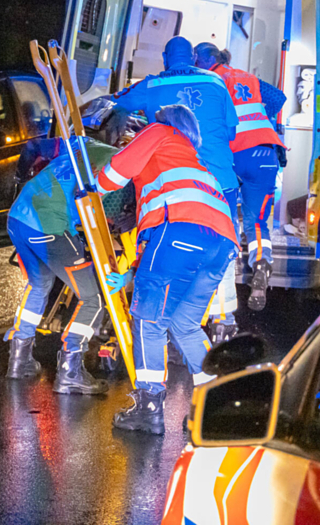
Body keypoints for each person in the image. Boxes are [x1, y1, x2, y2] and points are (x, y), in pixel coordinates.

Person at [99, 105, 238, 435]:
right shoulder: (196, 164)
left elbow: (116, 172)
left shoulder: (160, 133)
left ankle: (148, 408)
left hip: (179, 230)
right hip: (221, 243)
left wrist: (92, 185)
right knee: (184, 323)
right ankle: (211, 403)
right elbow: (158, 246)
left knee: (149, 319)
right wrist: (132, 273)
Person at [111, 37, 240, 342]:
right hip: (222, 179)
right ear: (194, 57)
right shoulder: (217, 81)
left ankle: (168, 317)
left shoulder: (153, 84)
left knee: (173, 249)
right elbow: (231, 130)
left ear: (165, 58)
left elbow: (119, 105)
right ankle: (222, 321)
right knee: (220, 247)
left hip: (182, 181)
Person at [4, 99, 132, 395]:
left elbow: (32, 148)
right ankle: (70, 371)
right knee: (94, 299)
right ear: (115, 131)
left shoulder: (73, 144)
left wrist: (19, 179)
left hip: (18, 217)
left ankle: (18, 361)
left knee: (39, 285)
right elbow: (115, 205)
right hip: (48, 226)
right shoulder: (114, 157)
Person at [194, 43, 286, 308]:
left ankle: (224, 276)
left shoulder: (210, 80)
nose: (195, 63)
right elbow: (278, 97)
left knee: (225, 217)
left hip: (233, 156)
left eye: (197, 58)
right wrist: (261, 119)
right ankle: (261, 265)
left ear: (210, 59)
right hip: (265, 155)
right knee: (257, 221)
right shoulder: (248, 77)